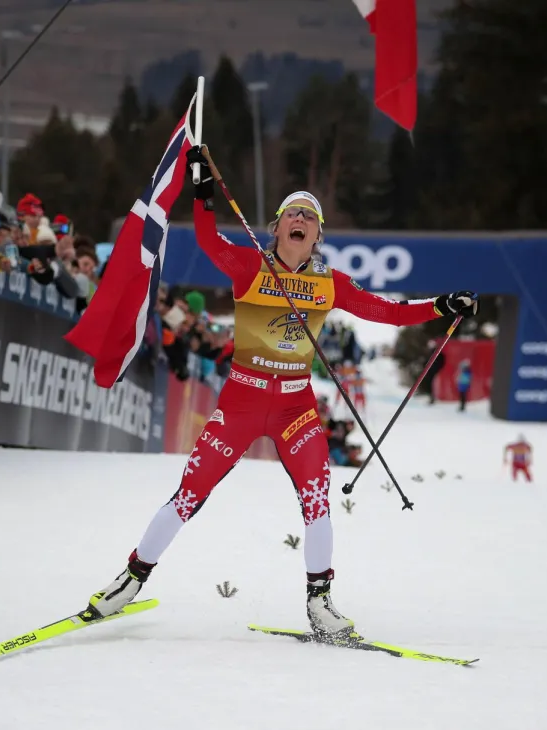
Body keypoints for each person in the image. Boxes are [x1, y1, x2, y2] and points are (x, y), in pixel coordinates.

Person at [84, 145, 480, 639]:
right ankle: (130, 581)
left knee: (318, 496)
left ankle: (320, 602)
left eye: (309, 217)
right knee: (190, 493)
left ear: (317, 235)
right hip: (242, 403)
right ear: (276, 227)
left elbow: (387, 312)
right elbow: (208, 241)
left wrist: (441, 305)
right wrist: (204, 192)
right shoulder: (251, 266)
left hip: (296, 407)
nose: (300, 220)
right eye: (292, 213)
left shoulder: (329, 284)